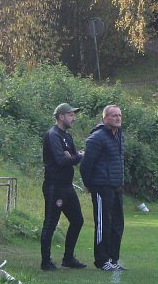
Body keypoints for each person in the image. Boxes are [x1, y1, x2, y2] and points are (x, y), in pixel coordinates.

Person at [40, 103, 87, 271]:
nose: (73, 118)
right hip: (55, 186)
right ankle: (46, 261)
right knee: (51, 222)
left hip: (67, 186)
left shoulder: (67, 136)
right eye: (71, 115)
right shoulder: (53, 135)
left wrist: (73, 156)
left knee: (77, 220)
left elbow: (71, 157)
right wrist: (77, 156)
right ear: (61, 116)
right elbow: (62, 160)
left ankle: (68, 258)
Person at [80, 105, 126, 271]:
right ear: (105, 118)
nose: (118, 118)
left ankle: (113, 259)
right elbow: (86, 165)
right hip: (101, 187)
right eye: (114, 116)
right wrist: (89, 185)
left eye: (119, 115)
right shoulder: (96, 138)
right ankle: (102, 260)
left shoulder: (120, 135)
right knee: (103, 224)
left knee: (118, 224)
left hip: (116, 187)